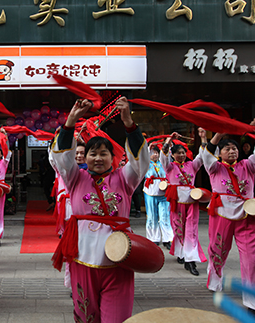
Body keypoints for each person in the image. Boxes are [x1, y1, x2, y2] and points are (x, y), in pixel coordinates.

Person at [50, 97, 149, 323]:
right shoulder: (75, 178)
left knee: (117, 318)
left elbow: (140, 162)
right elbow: (62, 158)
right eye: (92, 153)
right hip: (83, 258)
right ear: (84, 157)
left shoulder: (125, 179)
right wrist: (71, 121)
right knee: (86, 316)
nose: (97, 158)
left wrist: (129, 123)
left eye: (103, 153)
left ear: (112, 158)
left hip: (120, 259)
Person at [203, 119, 255, 318]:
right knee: (217, 251)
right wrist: (218, 133)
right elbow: (206, 156)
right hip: (221, 215)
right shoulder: (215, 168)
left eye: (234, 148)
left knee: (252, 261)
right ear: (220, 153)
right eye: (227, 149)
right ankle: (215, 280)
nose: (232, 151)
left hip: (246, 216)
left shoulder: (249, 165)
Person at [160, 130, 208, 276]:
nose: (181, 155)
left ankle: (191, 260)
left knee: (191, 232)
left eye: (183, 152)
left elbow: (203, 156)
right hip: (177, 203)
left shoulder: (192, 165)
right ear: (173, 155)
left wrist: (203, 138)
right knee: (179, 230)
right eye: (178, 153)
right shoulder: (169, 167)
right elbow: (163, 156)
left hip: (191, 203)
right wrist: (169, 140)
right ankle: (182, 253)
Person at [143, 145, 173, 249]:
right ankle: (153, 238)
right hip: (150, 192)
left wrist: (168, 148)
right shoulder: (146, 164)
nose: (155, 154)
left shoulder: (163, 164)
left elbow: (167, 158)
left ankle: (167, 238)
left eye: (156, 152)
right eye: (152, 152)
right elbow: (142, 157)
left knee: (165, 216)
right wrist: (147, 148)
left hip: (164, 191)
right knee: (152, 216)